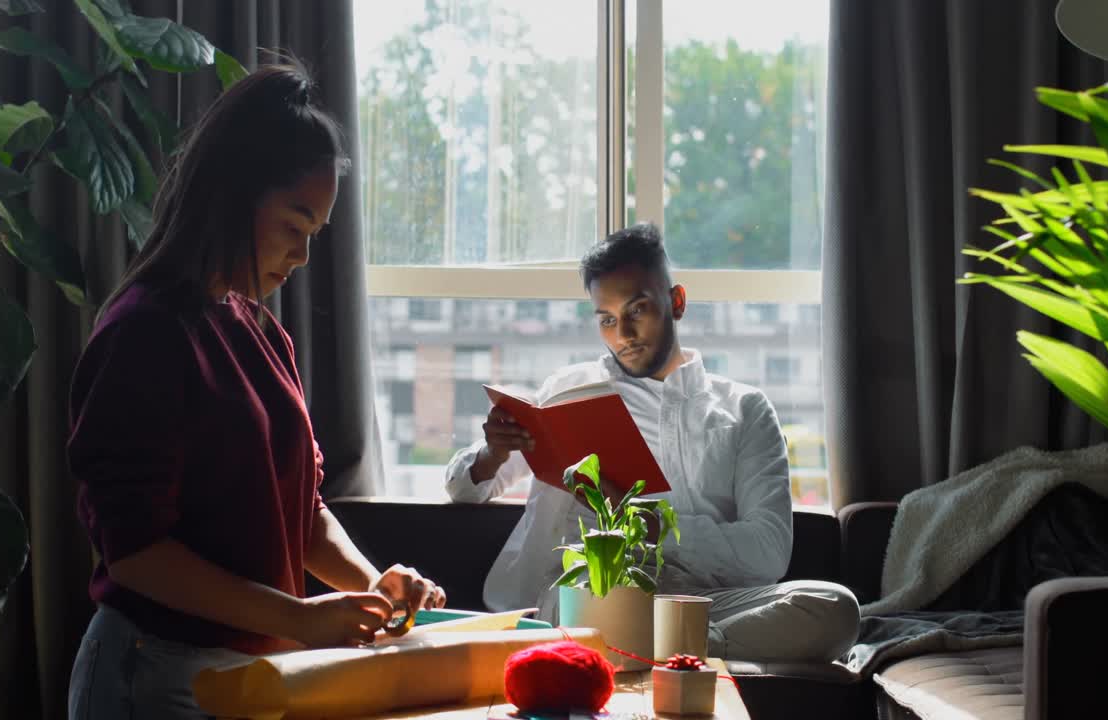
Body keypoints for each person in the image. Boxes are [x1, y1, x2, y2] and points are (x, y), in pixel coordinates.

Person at [66, 64, 446, 719]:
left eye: (314, 235)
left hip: (253, 675)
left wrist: (370, 584)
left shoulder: (260, 332)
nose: (301, 257)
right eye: (294, 225)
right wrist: (298, 617)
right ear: (235, 196)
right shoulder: (143, 334)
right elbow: (135, 554)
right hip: (152, 675)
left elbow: (301, 511)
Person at [445, 223, 859, 663]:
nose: (622, 334)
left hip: (702, 607)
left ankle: (656, 647)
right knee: (588, 606)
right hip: (587, 598)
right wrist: (493, 454)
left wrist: (656, 528)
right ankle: (672, 651)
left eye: (637, 310)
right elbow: (462, 487)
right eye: (606, 319)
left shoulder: (745, 410)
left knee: (835, 608)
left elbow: (768, 555)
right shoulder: (570, 392)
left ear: (676, 302)